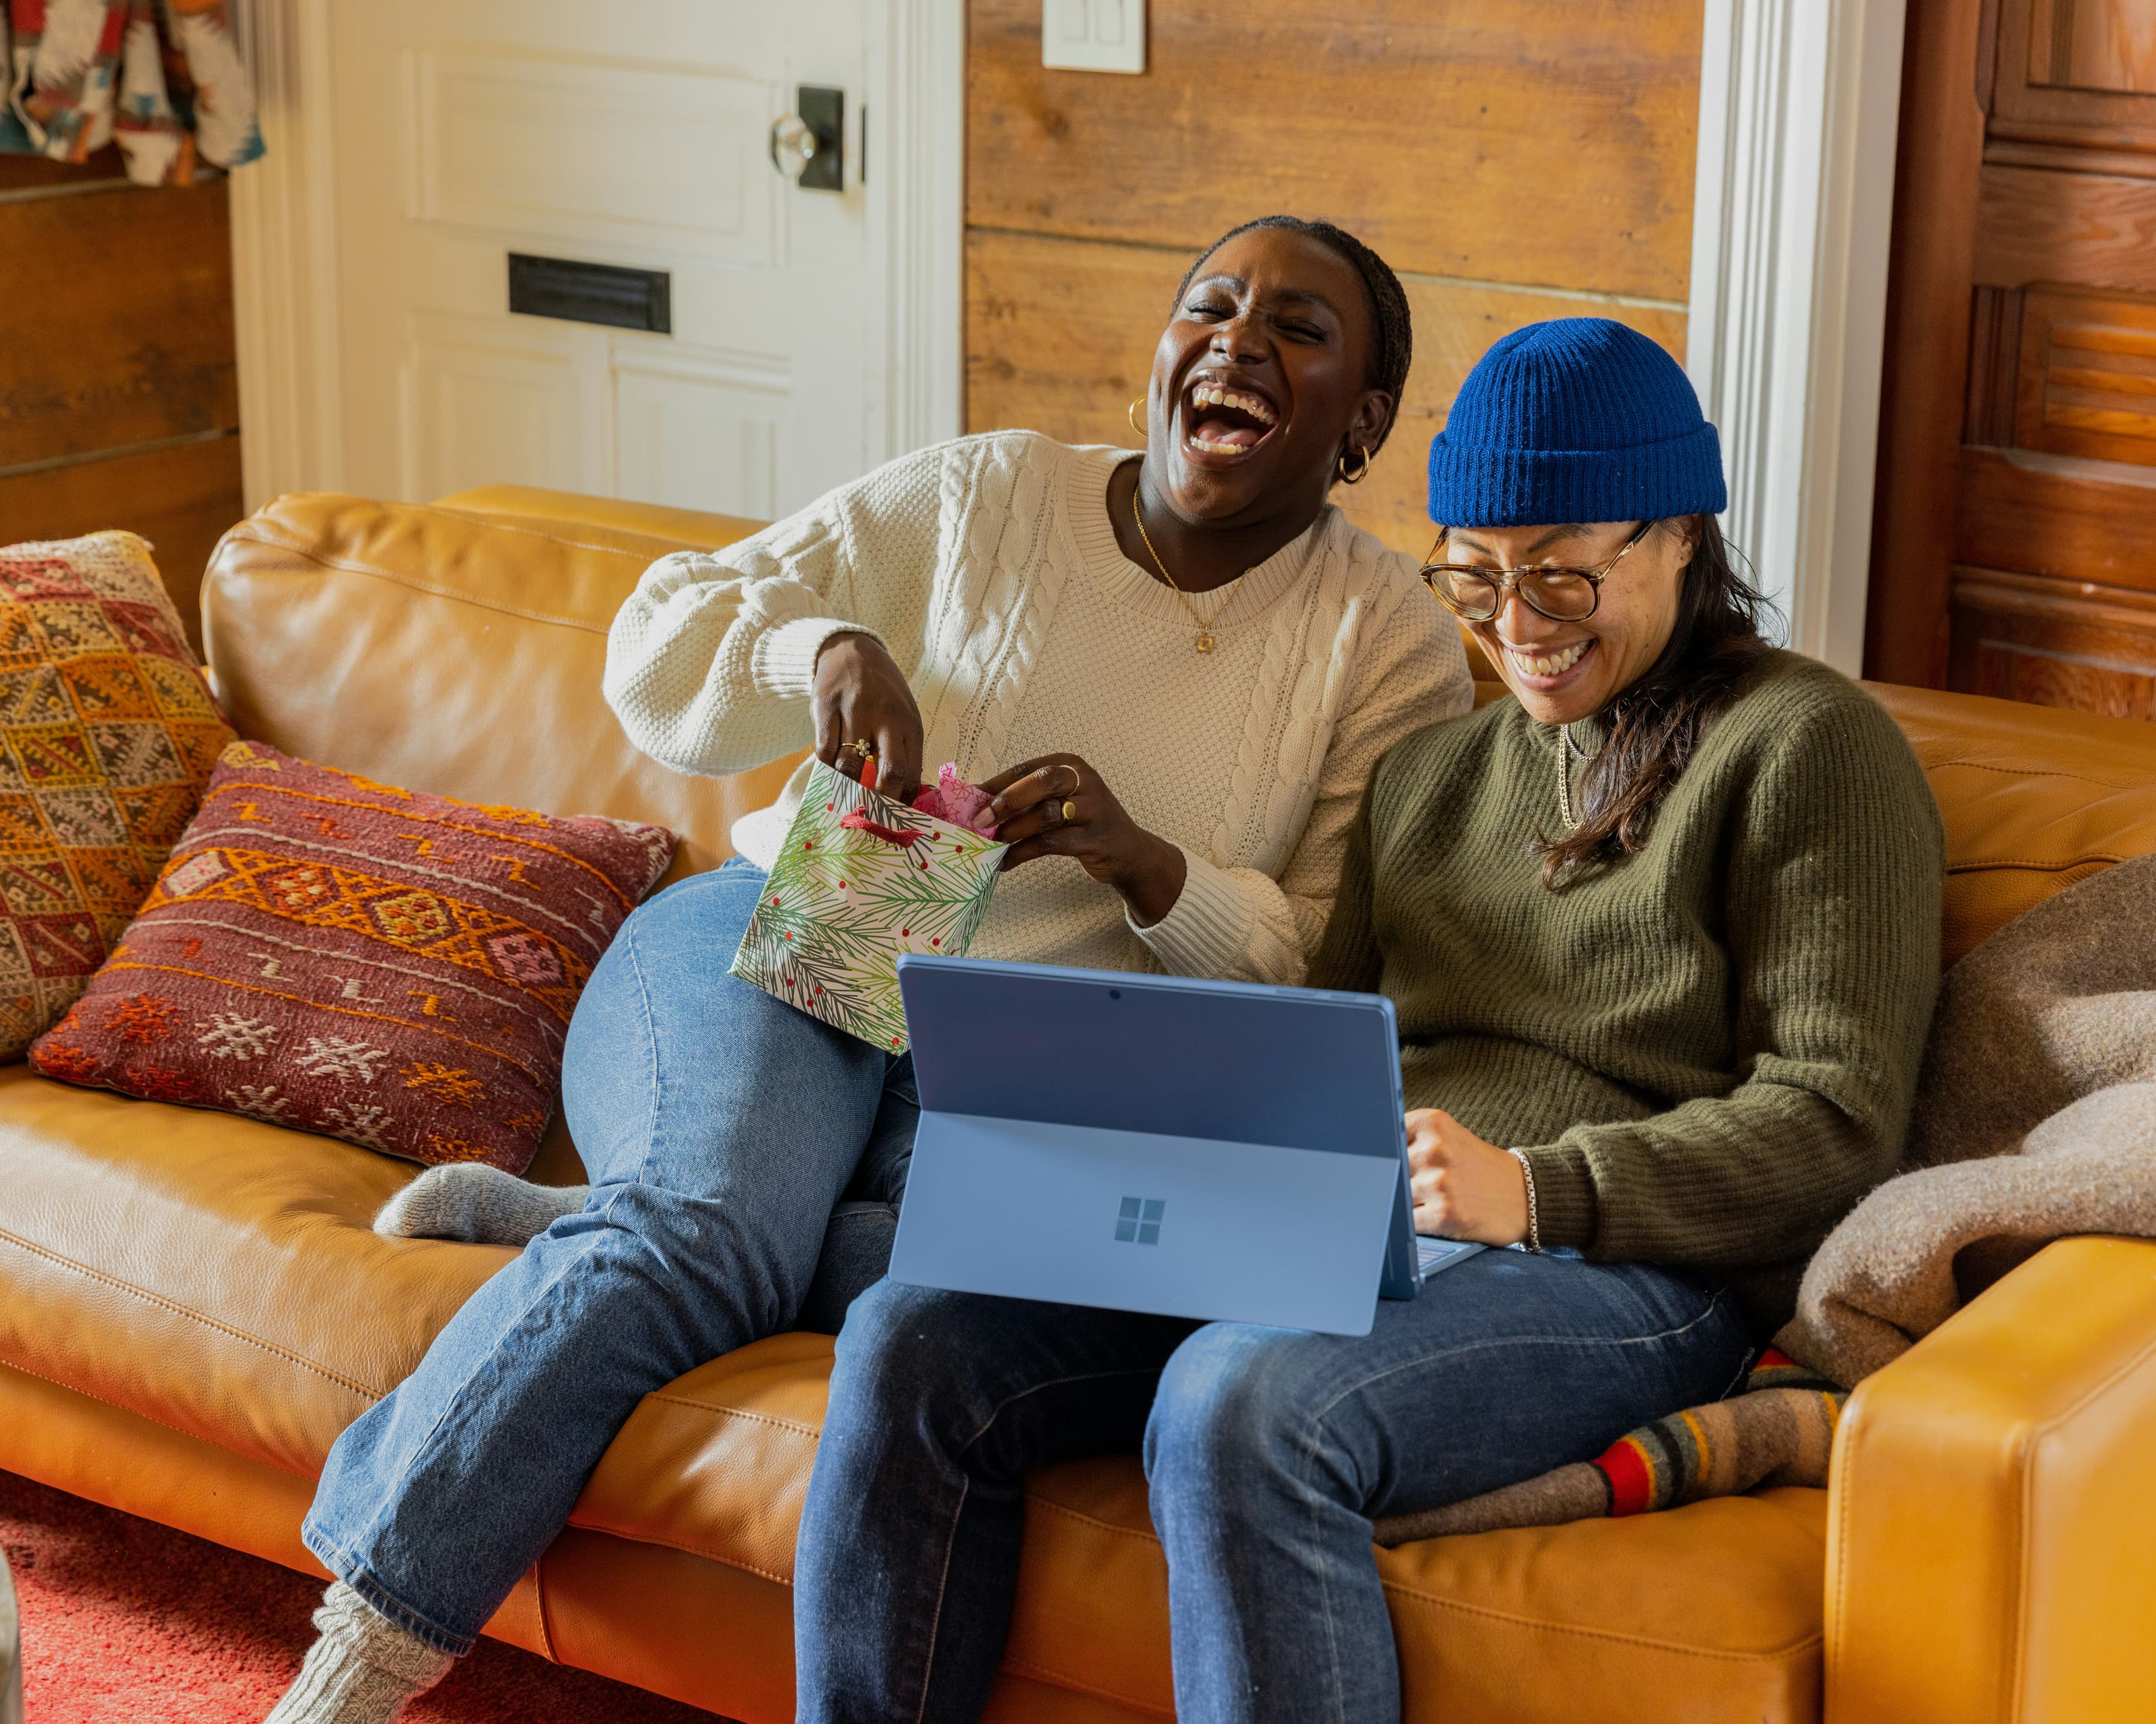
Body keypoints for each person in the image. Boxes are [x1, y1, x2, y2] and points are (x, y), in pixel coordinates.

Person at [258, 216, 1474, 1724]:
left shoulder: (1393, 646)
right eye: (1209, 307)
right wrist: (820, 653)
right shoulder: (988, 495)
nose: (1236, 342)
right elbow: (660, 639)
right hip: (789, 934)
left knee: (959, 1272)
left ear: (1360, 423)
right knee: (711, 1227)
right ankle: (358, 1659)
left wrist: (1149, 865)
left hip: (1040, 1062)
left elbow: (1319, 963)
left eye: (1297, 330)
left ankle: (599, 1222)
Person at [793, 318, 1947, 1724]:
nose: (1517, 624)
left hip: (1626, 1265)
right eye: (1477, 576)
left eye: (1564, 573)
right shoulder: (1432, 779)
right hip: (1361, 1227)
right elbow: (1320, 1051)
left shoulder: (1810, 745)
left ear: (1681, 537)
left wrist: (1538, 1188)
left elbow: (1837, 1121)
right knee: (917, 1327)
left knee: (1242, 1401)